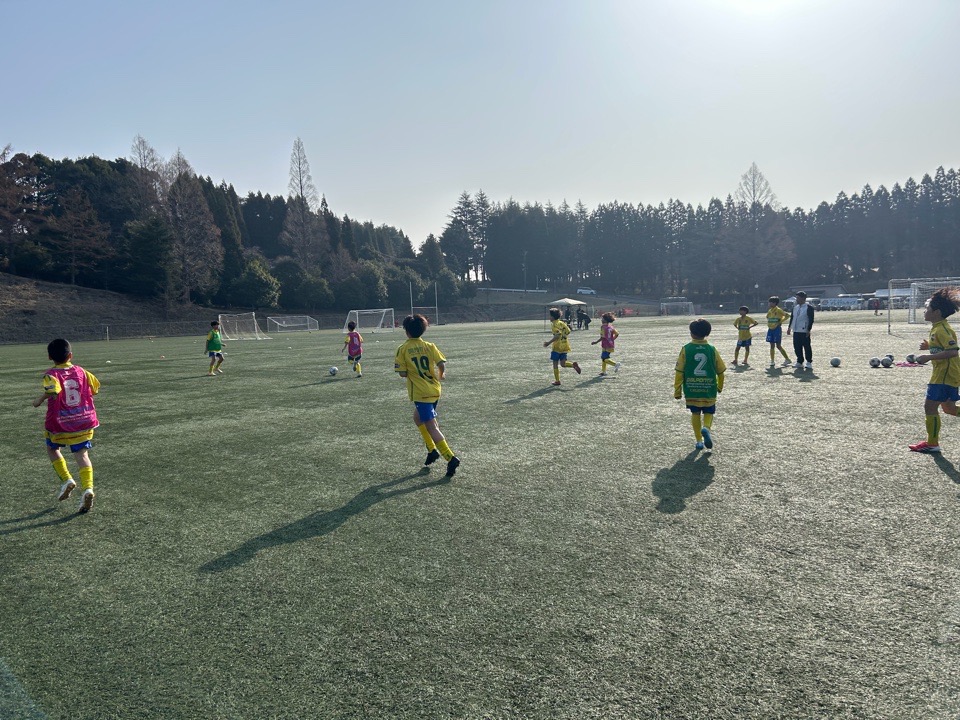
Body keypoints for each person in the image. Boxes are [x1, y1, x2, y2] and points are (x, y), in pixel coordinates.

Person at [32, 338, 100, 513]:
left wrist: (39, 400)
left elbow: (52, 390)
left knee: (52, 449)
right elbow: (95, 388)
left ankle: (67, 479)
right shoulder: (82, 371)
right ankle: (88, 488)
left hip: (61, 423)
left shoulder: (51, 374)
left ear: (49, 357)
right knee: (82, 455)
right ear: (70, 355)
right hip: (83, 421)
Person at [394, 314, 460, 477]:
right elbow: (441, 363)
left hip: (421, 394)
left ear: (406, 331)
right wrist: (441, 375)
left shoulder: (403, 348)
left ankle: (450, 457)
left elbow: (402, 373)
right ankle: (431, 450)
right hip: (434, 390)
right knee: (418, 418)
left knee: (432, 426)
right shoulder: (429, 346)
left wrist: (411, 371)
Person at [908, 287, 960, 454]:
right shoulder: (937, 327)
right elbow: (943, 346)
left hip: (945, 375)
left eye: (927, 308)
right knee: (949, 409)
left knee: (929, 406)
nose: (925, 311)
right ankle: (932, 442)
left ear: (936, 312)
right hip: (945, 374)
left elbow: (953, 351)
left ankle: (932, 443)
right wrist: (929, 346)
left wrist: (928, 357)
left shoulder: (943, 329)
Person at [674, 318, 726, 451]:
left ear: (691, 333)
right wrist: (720, 386)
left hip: (692, 388)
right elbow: (721, 371)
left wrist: (677, 390)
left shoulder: (686, 349)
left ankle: (698, 441)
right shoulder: (711, 349)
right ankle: (706, 428)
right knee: (709, 411)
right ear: (707, 333)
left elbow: (679, 371)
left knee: (695, 413)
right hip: (708, 388)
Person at [544, 307, 582, 386]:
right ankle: (573, 365)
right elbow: (568, 331)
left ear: (553, 317)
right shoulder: (562, 323)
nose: (549, 317)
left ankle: (557, 381)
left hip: (557, 347)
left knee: (555, 364)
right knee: (563, 364)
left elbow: (558, 335)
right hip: (565, 345)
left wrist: (548, 343)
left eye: (550, 316)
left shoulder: (554, 324)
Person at [786, 291, 815, 369]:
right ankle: (799, 361)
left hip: (804, 330)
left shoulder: (809, 307)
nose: (797, 299)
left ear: (803, 298)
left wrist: (808, 329)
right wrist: (789, 328)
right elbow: (792, 318)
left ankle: (809, 362)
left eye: (798, 298)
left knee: (806, 346)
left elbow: (811, 319)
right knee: (797, 347)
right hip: (796, 330)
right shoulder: (795, 308)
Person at [765, 296, 792, 367]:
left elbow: (787, 315)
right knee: (771, 345)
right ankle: (772, 361)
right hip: (770, 329)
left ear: (775, 303)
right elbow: (767, 317)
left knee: (778, 345)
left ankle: (787, 359)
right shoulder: (770, 311)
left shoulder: (779, 310)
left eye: (770, 302)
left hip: (777, 329)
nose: (769, 303)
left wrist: (780, 321)